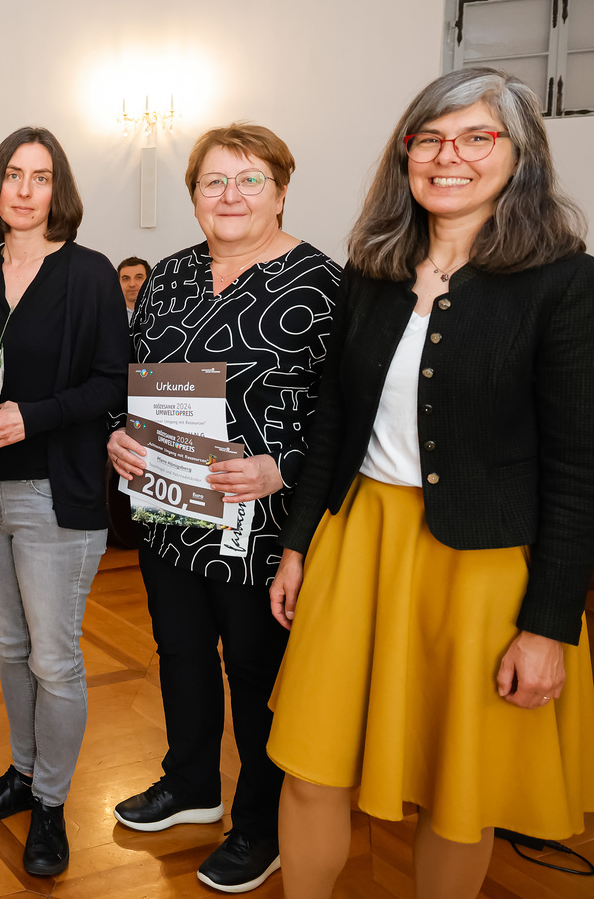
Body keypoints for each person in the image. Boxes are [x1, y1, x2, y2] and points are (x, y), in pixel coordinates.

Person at [266, 68, 594, 899]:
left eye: (478, 137)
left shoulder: (563, 282)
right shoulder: (372, 270)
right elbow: (333, 423)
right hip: (358, 541)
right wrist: (298, 545)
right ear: (404, 154)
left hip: (482, 567)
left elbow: (578, 468)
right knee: (309, 763)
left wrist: (548, 627)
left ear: (520, 155)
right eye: (431, 139)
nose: (450, 157)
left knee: (458, 792)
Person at [106, 122, 341, 892]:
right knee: (179, 652)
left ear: (281, 191)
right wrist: (118, 435)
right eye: (214, 181)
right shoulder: (170, 275)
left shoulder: (322, 285)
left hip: (264, 526)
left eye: (249, 180)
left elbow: (351, 416)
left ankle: (261, 825)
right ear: (194, 195)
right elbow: (131, 378)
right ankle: (190, 783)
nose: (230, 195)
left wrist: (281, 469)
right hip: (170, 510)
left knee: (254, 670)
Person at [0, 127, 128, 878]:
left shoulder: (89, 274)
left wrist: (32, 416)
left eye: (41, 177)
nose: (25, 190)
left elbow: (113, 382)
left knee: (54, 658)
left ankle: (51, 802)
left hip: (55, 493)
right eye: (13, 175)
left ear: (59, 190)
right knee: (10, 648)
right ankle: (22, 774)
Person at [116, 256, 149, 323]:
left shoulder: (160, 313)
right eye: (126, 279)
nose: (132, 284)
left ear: (149, 281)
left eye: (139, 277)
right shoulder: (107, 316)